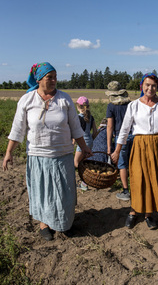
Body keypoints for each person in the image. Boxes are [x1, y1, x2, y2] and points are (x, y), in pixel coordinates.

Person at [2, 62, 92, 241]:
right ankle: (44, 224)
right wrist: (8, 153)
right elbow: (17, 129)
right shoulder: (27, 100)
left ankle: (64, 224)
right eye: (49, 77)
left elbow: (75, 128)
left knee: (64, 192)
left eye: (55, 77)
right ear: (39, 79)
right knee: (43, 193)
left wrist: (85, 148)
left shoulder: (64, 99)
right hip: (38, 156)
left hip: (63, 155)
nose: (53, 81)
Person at [111, 73, 158, 230]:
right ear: (142, 86)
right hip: (140, 146)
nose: (150, 88)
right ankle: (133, 212)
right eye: (147, 85)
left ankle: (148, 214)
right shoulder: (134, 105)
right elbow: (124, 129)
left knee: (154, 179)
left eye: (153, 85)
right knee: (138, 178)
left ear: (157, 87)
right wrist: (117, 150)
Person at [106, 81, 134, 201]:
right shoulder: (130, 104)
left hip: (120, 137)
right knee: (133, 161)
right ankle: (136, 187)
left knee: (122, 165)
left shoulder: (111, 106)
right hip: (133, 135)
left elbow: (110, 127)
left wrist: (108, 146)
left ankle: (126, 191)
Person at [74, 96, 97, 191]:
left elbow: (76, 132)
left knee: (75, 163)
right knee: (84, 162)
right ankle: (84, 182)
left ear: (78, 106)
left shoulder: (78, 118)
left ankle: (81, 182)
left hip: (81, 143)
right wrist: (90, 140)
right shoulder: (91, 117)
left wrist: (73, 142)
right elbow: (95, 132)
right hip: (90, 142)